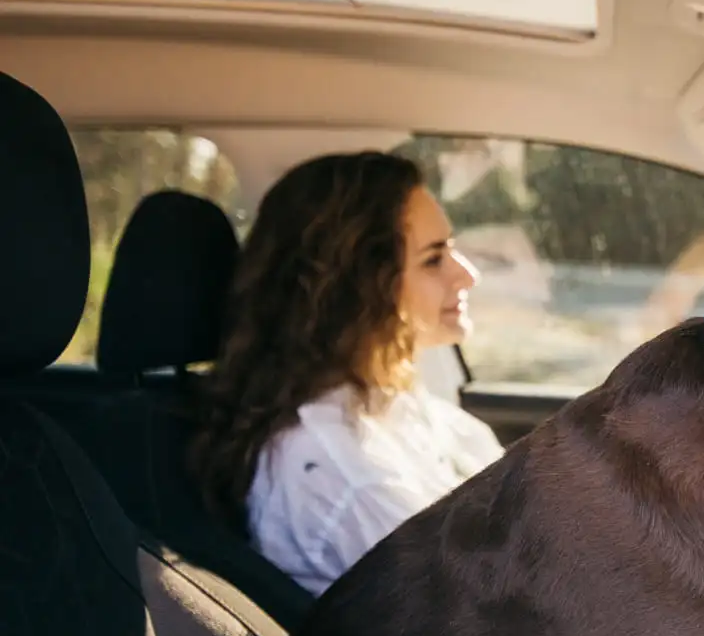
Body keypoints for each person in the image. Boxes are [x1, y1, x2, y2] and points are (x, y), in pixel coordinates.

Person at [192, 151, 503, 596]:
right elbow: (488, 611)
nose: (467, 276)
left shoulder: (395, 406)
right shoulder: (342, 472)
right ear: (359, 286)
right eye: (433, 259)